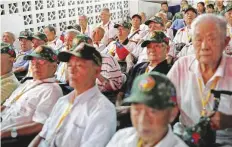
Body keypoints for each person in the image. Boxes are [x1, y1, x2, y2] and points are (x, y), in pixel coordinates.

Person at [29, 43, 116, 147]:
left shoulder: (102, 110)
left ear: (97, 71)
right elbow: (43, 135)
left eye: (79, 65)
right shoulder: (62, 101)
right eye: (69, 65)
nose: (72, 70)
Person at [167, 14, 232, 146]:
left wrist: (229, 119)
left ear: (225, 42)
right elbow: (165, 105)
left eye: (211, 39)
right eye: (198, 39)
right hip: (188, 137)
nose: (204, 46)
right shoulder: (182, 66)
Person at [1, 45, 63, 146]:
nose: (35, 66)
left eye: (41, 62)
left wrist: (6, 133)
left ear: (54, 66)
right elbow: (7, 105)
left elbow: (40, 125)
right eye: (33, 62)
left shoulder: (52, 90)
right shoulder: (28, 83)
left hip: (11, 136)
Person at [107, 72, 188, 147]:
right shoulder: (121, 138)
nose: (142, 120)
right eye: (137, 110)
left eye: (153, 111)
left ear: (172, 113)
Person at [120, 31, 171, 103]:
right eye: (149, 47)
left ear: (167, 49)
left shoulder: (170, 72)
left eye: (157, 46)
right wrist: (118, 103)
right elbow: (123, 91)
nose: (152, 50)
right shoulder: (138, 67)